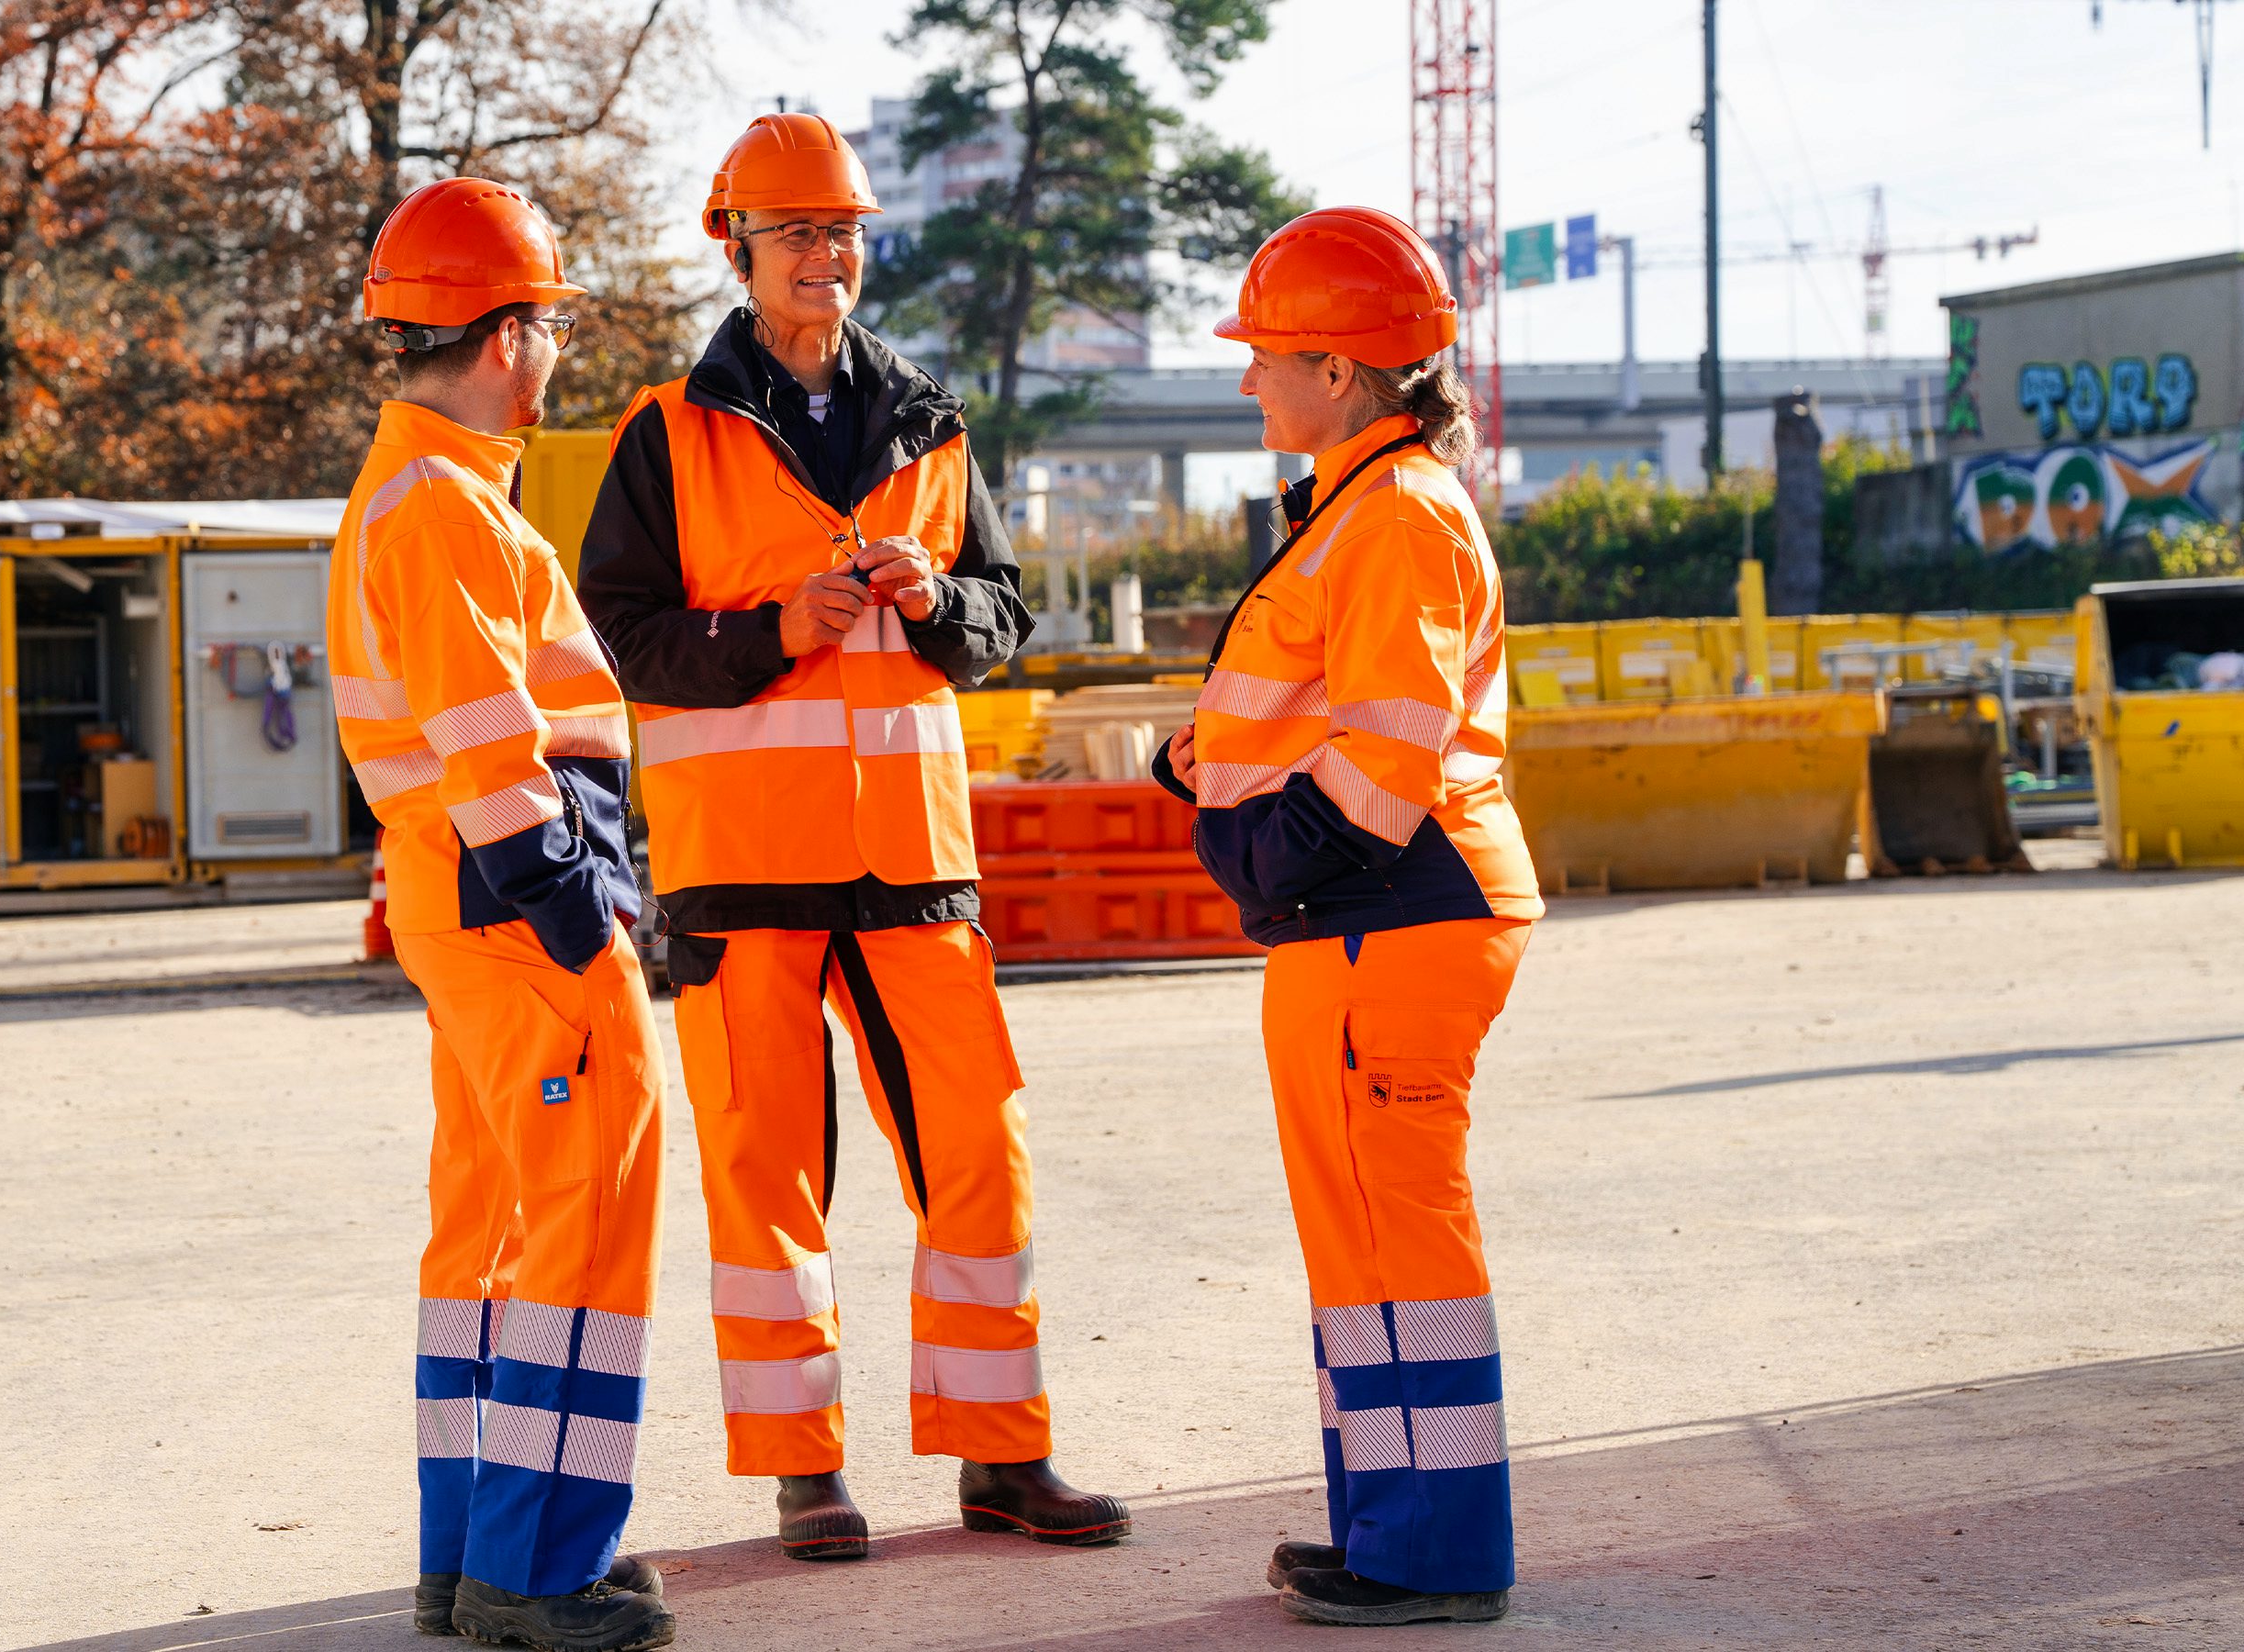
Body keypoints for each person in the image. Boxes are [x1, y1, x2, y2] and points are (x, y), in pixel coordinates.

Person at [579, 111, 1129, 1561]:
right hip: (743, 865)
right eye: (796, 234)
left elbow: (1001, 614)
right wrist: (771, 630)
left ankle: (1003, 1456)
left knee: (980, 1159)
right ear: (738, 248)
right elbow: (622, 643)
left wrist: (938, 604)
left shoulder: (932, 421)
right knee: (769, 1174)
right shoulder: (664, 433)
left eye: (843, 232)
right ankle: (803, 1472)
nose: (826, 257)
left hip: (911, 861)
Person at [1153, 205, 1545, 1627]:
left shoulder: (1396, 519)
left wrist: (1251, 850)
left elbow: (1388, 758)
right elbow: (1325, 719)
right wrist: (1213, 770)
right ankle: (1393, 1529)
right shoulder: (1365, 510)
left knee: (1399, 1234)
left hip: (1393, 907)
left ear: (1335, 367)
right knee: (1362, 1238)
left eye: (1265, 355)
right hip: (1365, 914)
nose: (1249, 379)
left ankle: (1434, 1553)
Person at [329, 175, 673, 1652]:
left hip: (461, 905)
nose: (559, 354)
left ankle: (473, 1555)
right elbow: (493, 748)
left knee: (487, 1227)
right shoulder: (449, 509)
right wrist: (581, 913)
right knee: (585, 1223)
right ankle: (539, 1575)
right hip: (520, 905)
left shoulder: (412, 492)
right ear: (507, 335)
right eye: (553, 324)